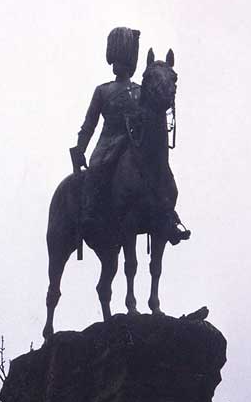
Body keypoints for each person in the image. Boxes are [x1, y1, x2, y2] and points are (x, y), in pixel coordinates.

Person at [71, 27, 189, 245]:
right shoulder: (102, 91)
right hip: (109, 143)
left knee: (161, 173)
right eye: (119, 61)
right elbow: (90, 124)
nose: (121, 66)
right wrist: (81, 147)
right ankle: (89, 212)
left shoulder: (139, 90)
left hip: (135, 142)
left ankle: (168, 215)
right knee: (97, 170)